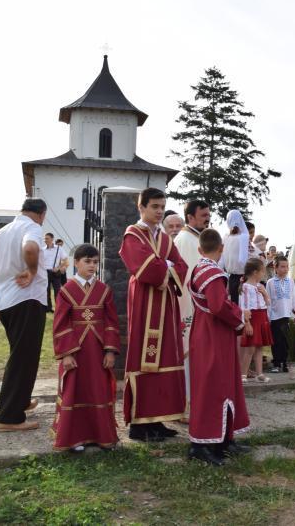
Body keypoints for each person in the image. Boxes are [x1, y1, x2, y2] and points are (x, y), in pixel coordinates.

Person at [119, 188, 188, 442]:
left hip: (166, 305)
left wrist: (166, 266)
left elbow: (181, 266)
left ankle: (156, 420)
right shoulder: (132, 235)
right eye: (155, 207)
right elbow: (143, 268)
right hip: (145, 305)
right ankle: (138, 424)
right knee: (143, 358)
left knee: (165, 357)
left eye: (162, 207)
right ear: (142, 207)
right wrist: (166, 266)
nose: (159, 211)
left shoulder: (167, 239)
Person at [187, 228, 250, 466]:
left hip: (206, 333)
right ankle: (202, 445)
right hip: (213, 336)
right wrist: (239, 315)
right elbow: (217, 306)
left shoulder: (198, 268)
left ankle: (223, 439)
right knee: (213, 388)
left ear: (199, 249)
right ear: (221, 248)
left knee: (222, 385)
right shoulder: (212, 272)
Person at [0, 198, 49, 432]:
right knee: (23, 358)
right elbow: (30, 248)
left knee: (21, 354)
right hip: (26, 299)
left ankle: (20, 401)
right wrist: (32, 270)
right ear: (41, 214)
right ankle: (9, 417)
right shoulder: (32, 227)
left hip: (4, 302)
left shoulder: (1, 233)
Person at [50, 243, 120, 452]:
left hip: (98, 352)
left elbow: (111, 322)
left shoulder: (104, 290)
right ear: (76, 263)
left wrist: (109, 350)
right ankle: (75, 438)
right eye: (87, 261)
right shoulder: (66, 291)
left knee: (98, 390)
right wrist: (67, 354)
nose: (92, 266)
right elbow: (60, 324)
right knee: (75, 390)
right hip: (76, 353)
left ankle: (101, 436)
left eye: (95, 262)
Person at [174, 199, 210, 423]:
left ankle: (197, 403)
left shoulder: (198, 238)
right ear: (190, 218)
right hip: (189, 306)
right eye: (203, 214)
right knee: (187, 357)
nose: (207, 217)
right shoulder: (184, 240)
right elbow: (185, 278)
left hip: (202, 307)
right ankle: (185, 407)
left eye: (208, 214)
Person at [239, 258, 272, 383]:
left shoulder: (260, 286)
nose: (263, 274)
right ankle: (243, 374)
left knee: (259, 347)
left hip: (262, 316)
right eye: (262, 271)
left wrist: (265, 294)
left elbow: (268, 304)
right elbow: (244, 307)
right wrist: (247, 323)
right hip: (252, 318)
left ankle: (260, 374)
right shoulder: (246, 287)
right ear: (254, 272)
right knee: (250, 348)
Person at [267, 255, 295, 373]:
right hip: (275, 317)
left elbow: (294, 297)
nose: (285, 269)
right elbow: (268, 301)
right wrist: (268, 316)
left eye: (287, 267)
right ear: (275, 268)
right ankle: (276, 363)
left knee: (287, 341)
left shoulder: (290, 281)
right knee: (276, 341)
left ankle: (286, 363)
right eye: (282, 267)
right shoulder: (270, 282)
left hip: (288, 316)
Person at [223, 210, 248, 302]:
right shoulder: (243, 237)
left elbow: (221, 261)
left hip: (230, 277)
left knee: (234, 304)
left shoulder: (226, 237)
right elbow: (242, 260)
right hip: (243, 277)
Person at [41, 233, 66, 312]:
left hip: (55, 273)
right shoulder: (42, 250)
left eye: (47, 238)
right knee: (46, 291)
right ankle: (48, 308)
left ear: (52, 239)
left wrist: (58, 267)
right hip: (45, 272)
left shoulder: (59, 249)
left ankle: (58, 308)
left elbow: (65, 260)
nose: (45, 240)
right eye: (44, 239)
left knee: (57, 291)